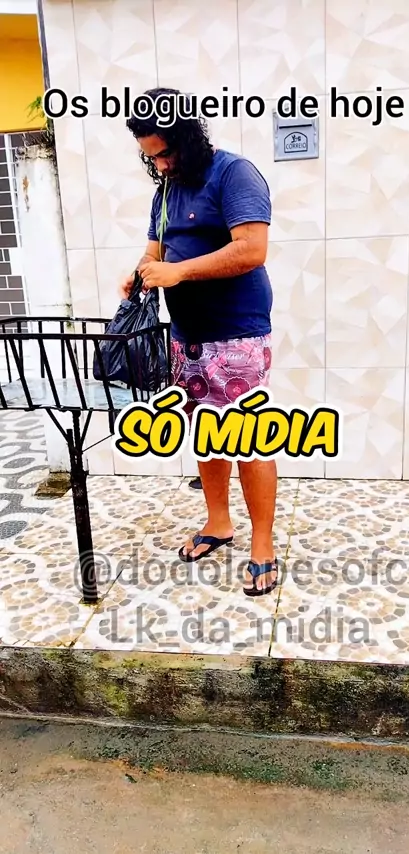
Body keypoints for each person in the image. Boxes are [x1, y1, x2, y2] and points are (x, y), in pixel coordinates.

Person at [120, 87, 277, 597]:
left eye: (165, 153)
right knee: (207, 435)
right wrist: (140, 274)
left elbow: (251, 249)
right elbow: (155, 251)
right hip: (186, 337)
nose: (160, 165)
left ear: (189, 135)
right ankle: (218, 522)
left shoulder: (234, 174)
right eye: (150, 157)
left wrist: (179, 272)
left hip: (237, 334)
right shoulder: (165, 191)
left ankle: (263, 545)